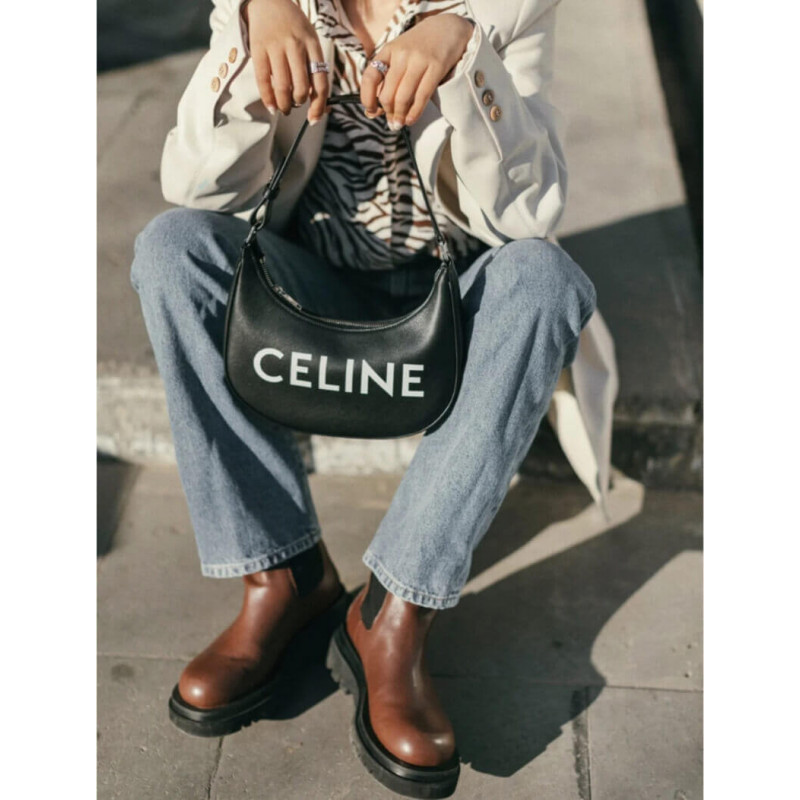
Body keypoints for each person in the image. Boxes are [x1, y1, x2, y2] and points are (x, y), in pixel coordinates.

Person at [131, 0, 598, 796]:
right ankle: (280, 577)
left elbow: (529, 213)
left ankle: (392, 613)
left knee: (546, 282)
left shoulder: (501, 8)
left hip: (451, 289)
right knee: (173, 250)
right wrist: (255, 27)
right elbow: (195, 186)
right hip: (307, 281)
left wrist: (465, 54)